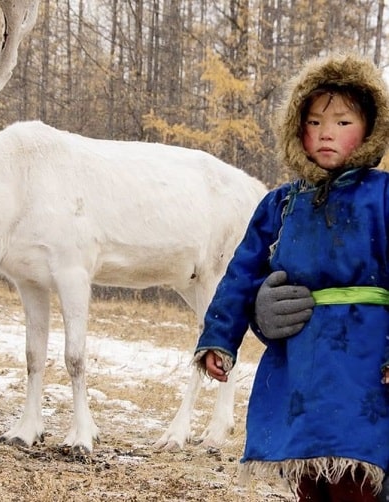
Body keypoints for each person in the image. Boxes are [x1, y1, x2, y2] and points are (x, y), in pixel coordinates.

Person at [194, 51, 389, 501]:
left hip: (364, 361)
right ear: (296, 129)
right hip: (298, 361)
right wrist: (221, 337)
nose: (326, 133)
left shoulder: (382, 196)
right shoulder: (280, 204)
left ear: (370, 128)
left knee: (357, 472)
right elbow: (242, 273)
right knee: (305, 472)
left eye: (343, 122)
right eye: (315, 121)